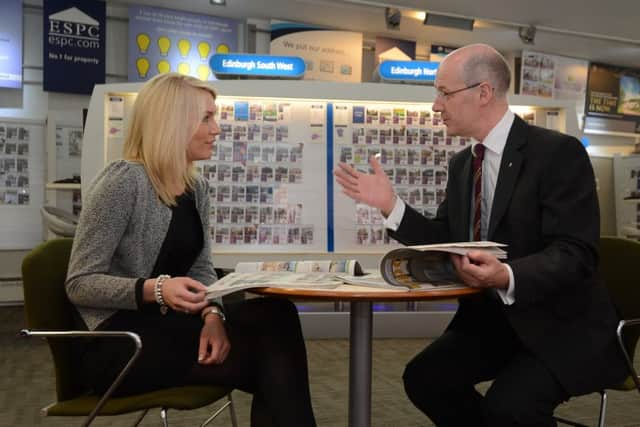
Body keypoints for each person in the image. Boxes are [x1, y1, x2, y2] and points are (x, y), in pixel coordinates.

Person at [334, 44, 627, 426]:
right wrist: (392, 205)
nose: (436, 106)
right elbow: (446, 236)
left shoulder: (557, 153)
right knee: (425, 379)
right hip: (495, 324)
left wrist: (506, 275)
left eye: (444, 92)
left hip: (562, 326)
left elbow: (575, 253)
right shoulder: (463, 164)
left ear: (483, 93)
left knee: (510, 408)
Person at [66, 72, 316, 427]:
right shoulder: (123, 181)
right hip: (120, 342)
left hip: (168, 328)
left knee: (277, 314)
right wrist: (156, 289)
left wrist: (213, 316)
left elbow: (201, 268)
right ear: (172, 123)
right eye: (206, 118)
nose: (217, 129)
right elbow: (79, 283)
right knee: (271, 356)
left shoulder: (195, 187)